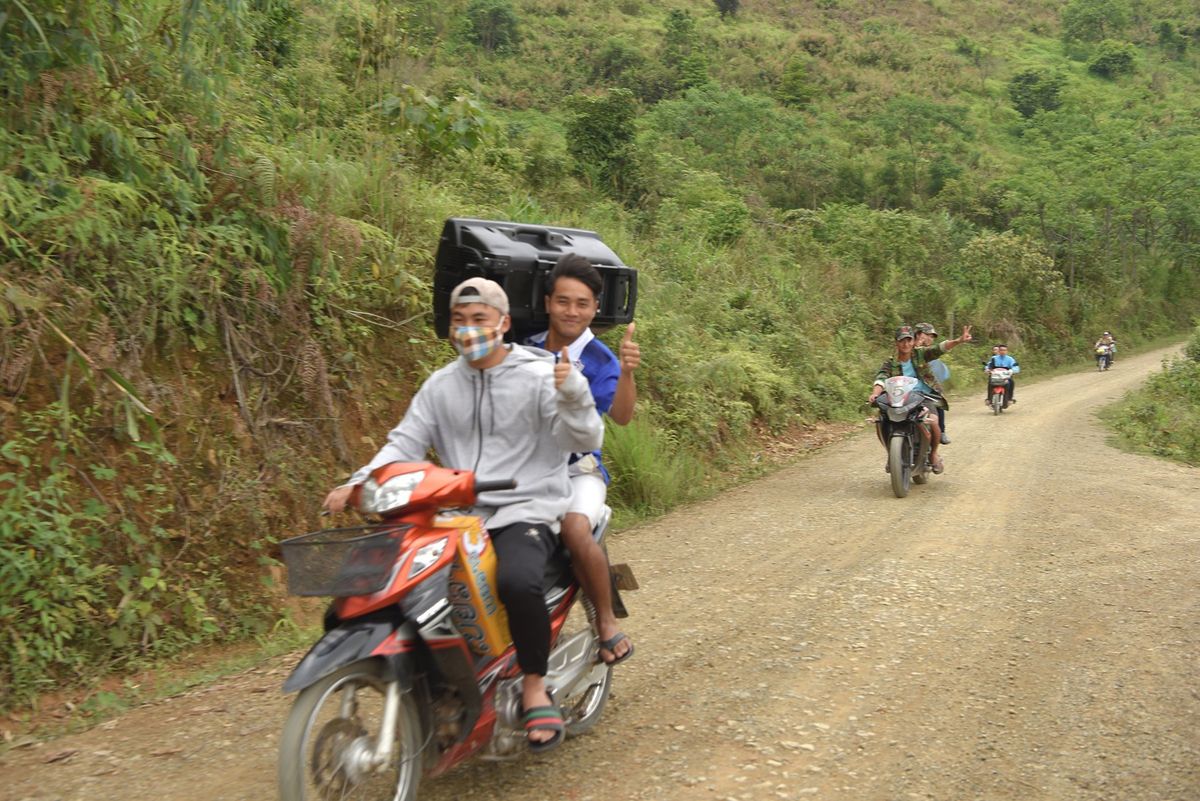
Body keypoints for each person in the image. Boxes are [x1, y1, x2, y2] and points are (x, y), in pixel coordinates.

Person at [323, 277, 603, 753]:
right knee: (395, 585)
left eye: (479, 319)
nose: (468, 329)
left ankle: (534, 684)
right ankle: (431, 680)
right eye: (459, 320)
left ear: (504, 323)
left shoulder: (540, 377)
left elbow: (584, 438)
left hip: (524, 508)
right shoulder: (440, 385)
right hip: (453, 515)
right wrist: (359, 479)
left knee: (517, 581)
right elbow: (403, 443)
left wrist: (574, 393)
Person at [524, 254, 639, 667]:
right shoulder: (525, 348)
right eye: (563, 301)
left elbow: (622, 417)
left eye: (582, 303)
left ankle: (606, 621)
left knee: (574, 528)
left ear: (595, 308)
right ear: (548, 301)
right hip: (527, 471)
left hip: (578, 473)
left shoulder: (601, 360)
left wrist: (627, 372)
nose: (572, 311)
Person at [869, 324, 973, 474]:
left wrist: (959, 340)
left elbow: (940, 348)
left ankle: (933, 454)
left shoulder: (920, 354)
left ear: (913, 341)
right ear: (896, 343)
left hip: (923, 397)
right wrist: (875, 393)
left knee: (933, 421)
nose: (905, 344)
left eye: (908, 340)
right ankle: (891, 454)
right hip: (898, 398)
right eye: (902, 340)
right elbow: (881, 378)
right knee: (881, 420)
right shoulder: (890, 362)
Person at [913, 323, 950, 445]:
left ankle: (942, 431)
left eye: (932, 336)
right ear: (918, 334)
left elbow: (938, 350)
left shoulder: (929, 352)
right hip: (906, 386)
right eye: (928, 335)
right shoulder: (906, 348)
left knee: (937, 398)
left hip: (926, 386)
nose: (930, 338)